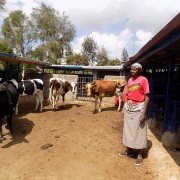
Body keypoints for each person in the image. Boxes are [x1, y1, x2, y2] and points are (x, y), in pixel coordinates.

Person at [119, 63, 150, 166]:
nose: (132, 71)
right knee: (128, 129)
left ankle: (140, 154)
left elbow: (147, 97)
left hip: (139, 107)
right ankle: (129, 150)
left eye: (134, 69)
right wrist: (123, 108)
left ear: (139, 70)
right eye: (131, 69)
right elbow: (127, 96)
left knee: (140, 131)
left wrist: (143, 112)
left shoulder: (143, 80)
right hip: (129, 107)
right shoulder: (130, 81)